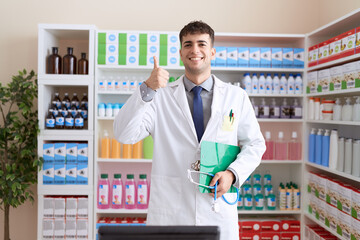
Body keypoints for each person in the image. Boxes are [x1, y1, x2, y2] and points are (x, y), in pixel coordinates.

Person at [114, 20, 266, 240]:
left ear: (212, 51)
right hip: (170, 213)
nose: (195, 50)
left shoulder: (235, 96)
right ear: (181, 52)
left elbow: (255, 144)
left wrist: (233, 174)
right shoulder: (160, 96)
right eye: (188, 44)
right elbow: (124, 134)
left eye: (202, 44)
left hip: (216, 208)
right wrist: (147, 88)